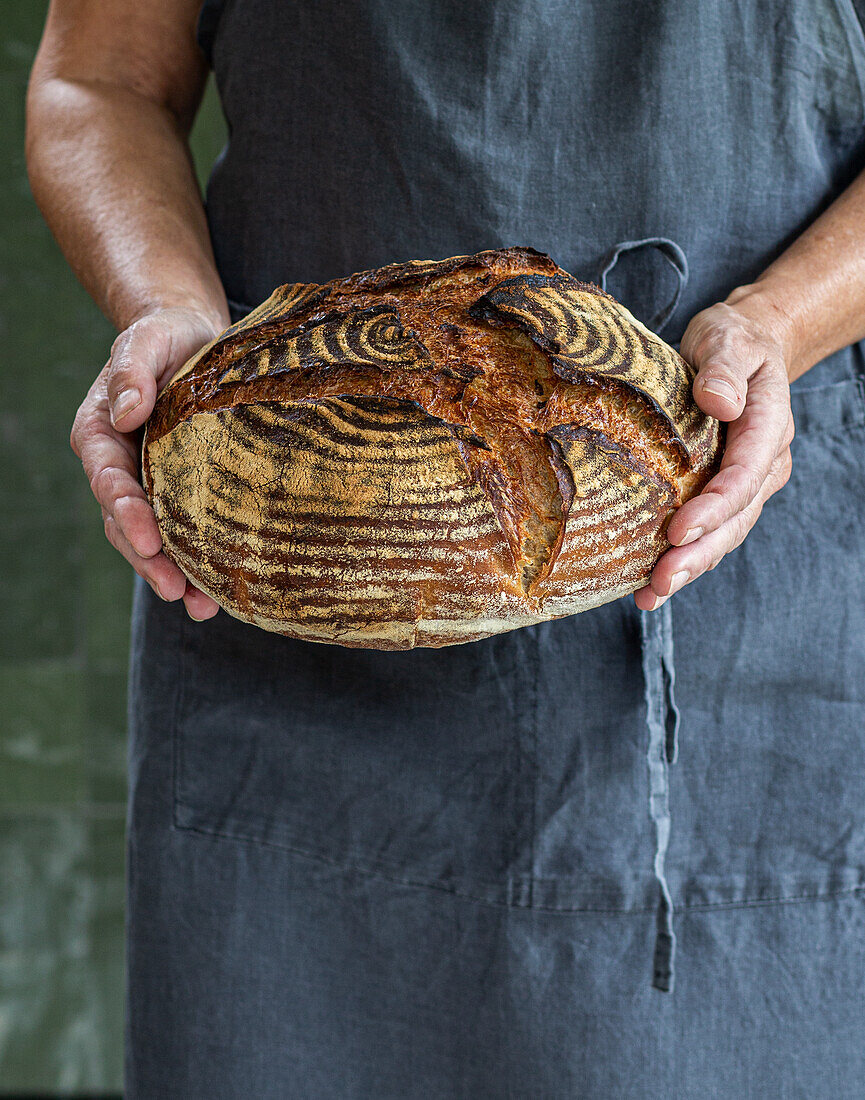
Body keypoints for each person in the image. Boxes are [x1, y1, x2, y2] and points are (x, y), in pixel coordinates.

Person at [26, 0, 865, 1095]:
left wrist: (778, 322)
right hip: (293, 580)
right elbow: (100, 80)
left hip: (752, 610)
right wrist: (164, 306)